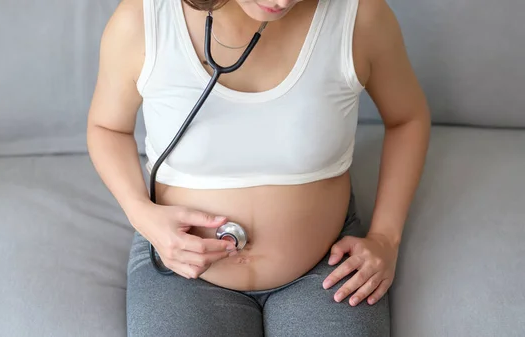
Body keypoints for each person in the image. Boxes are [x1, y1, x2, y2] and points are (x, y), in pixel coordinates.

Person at [87, 0, 430, 335]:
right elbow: (107, 128)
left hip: (327, 267)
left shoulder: (360, 16)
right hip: (180, 266)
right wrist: (141, 213)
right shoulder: (142, 19)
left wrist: (386, 237)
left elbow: (407, 119)